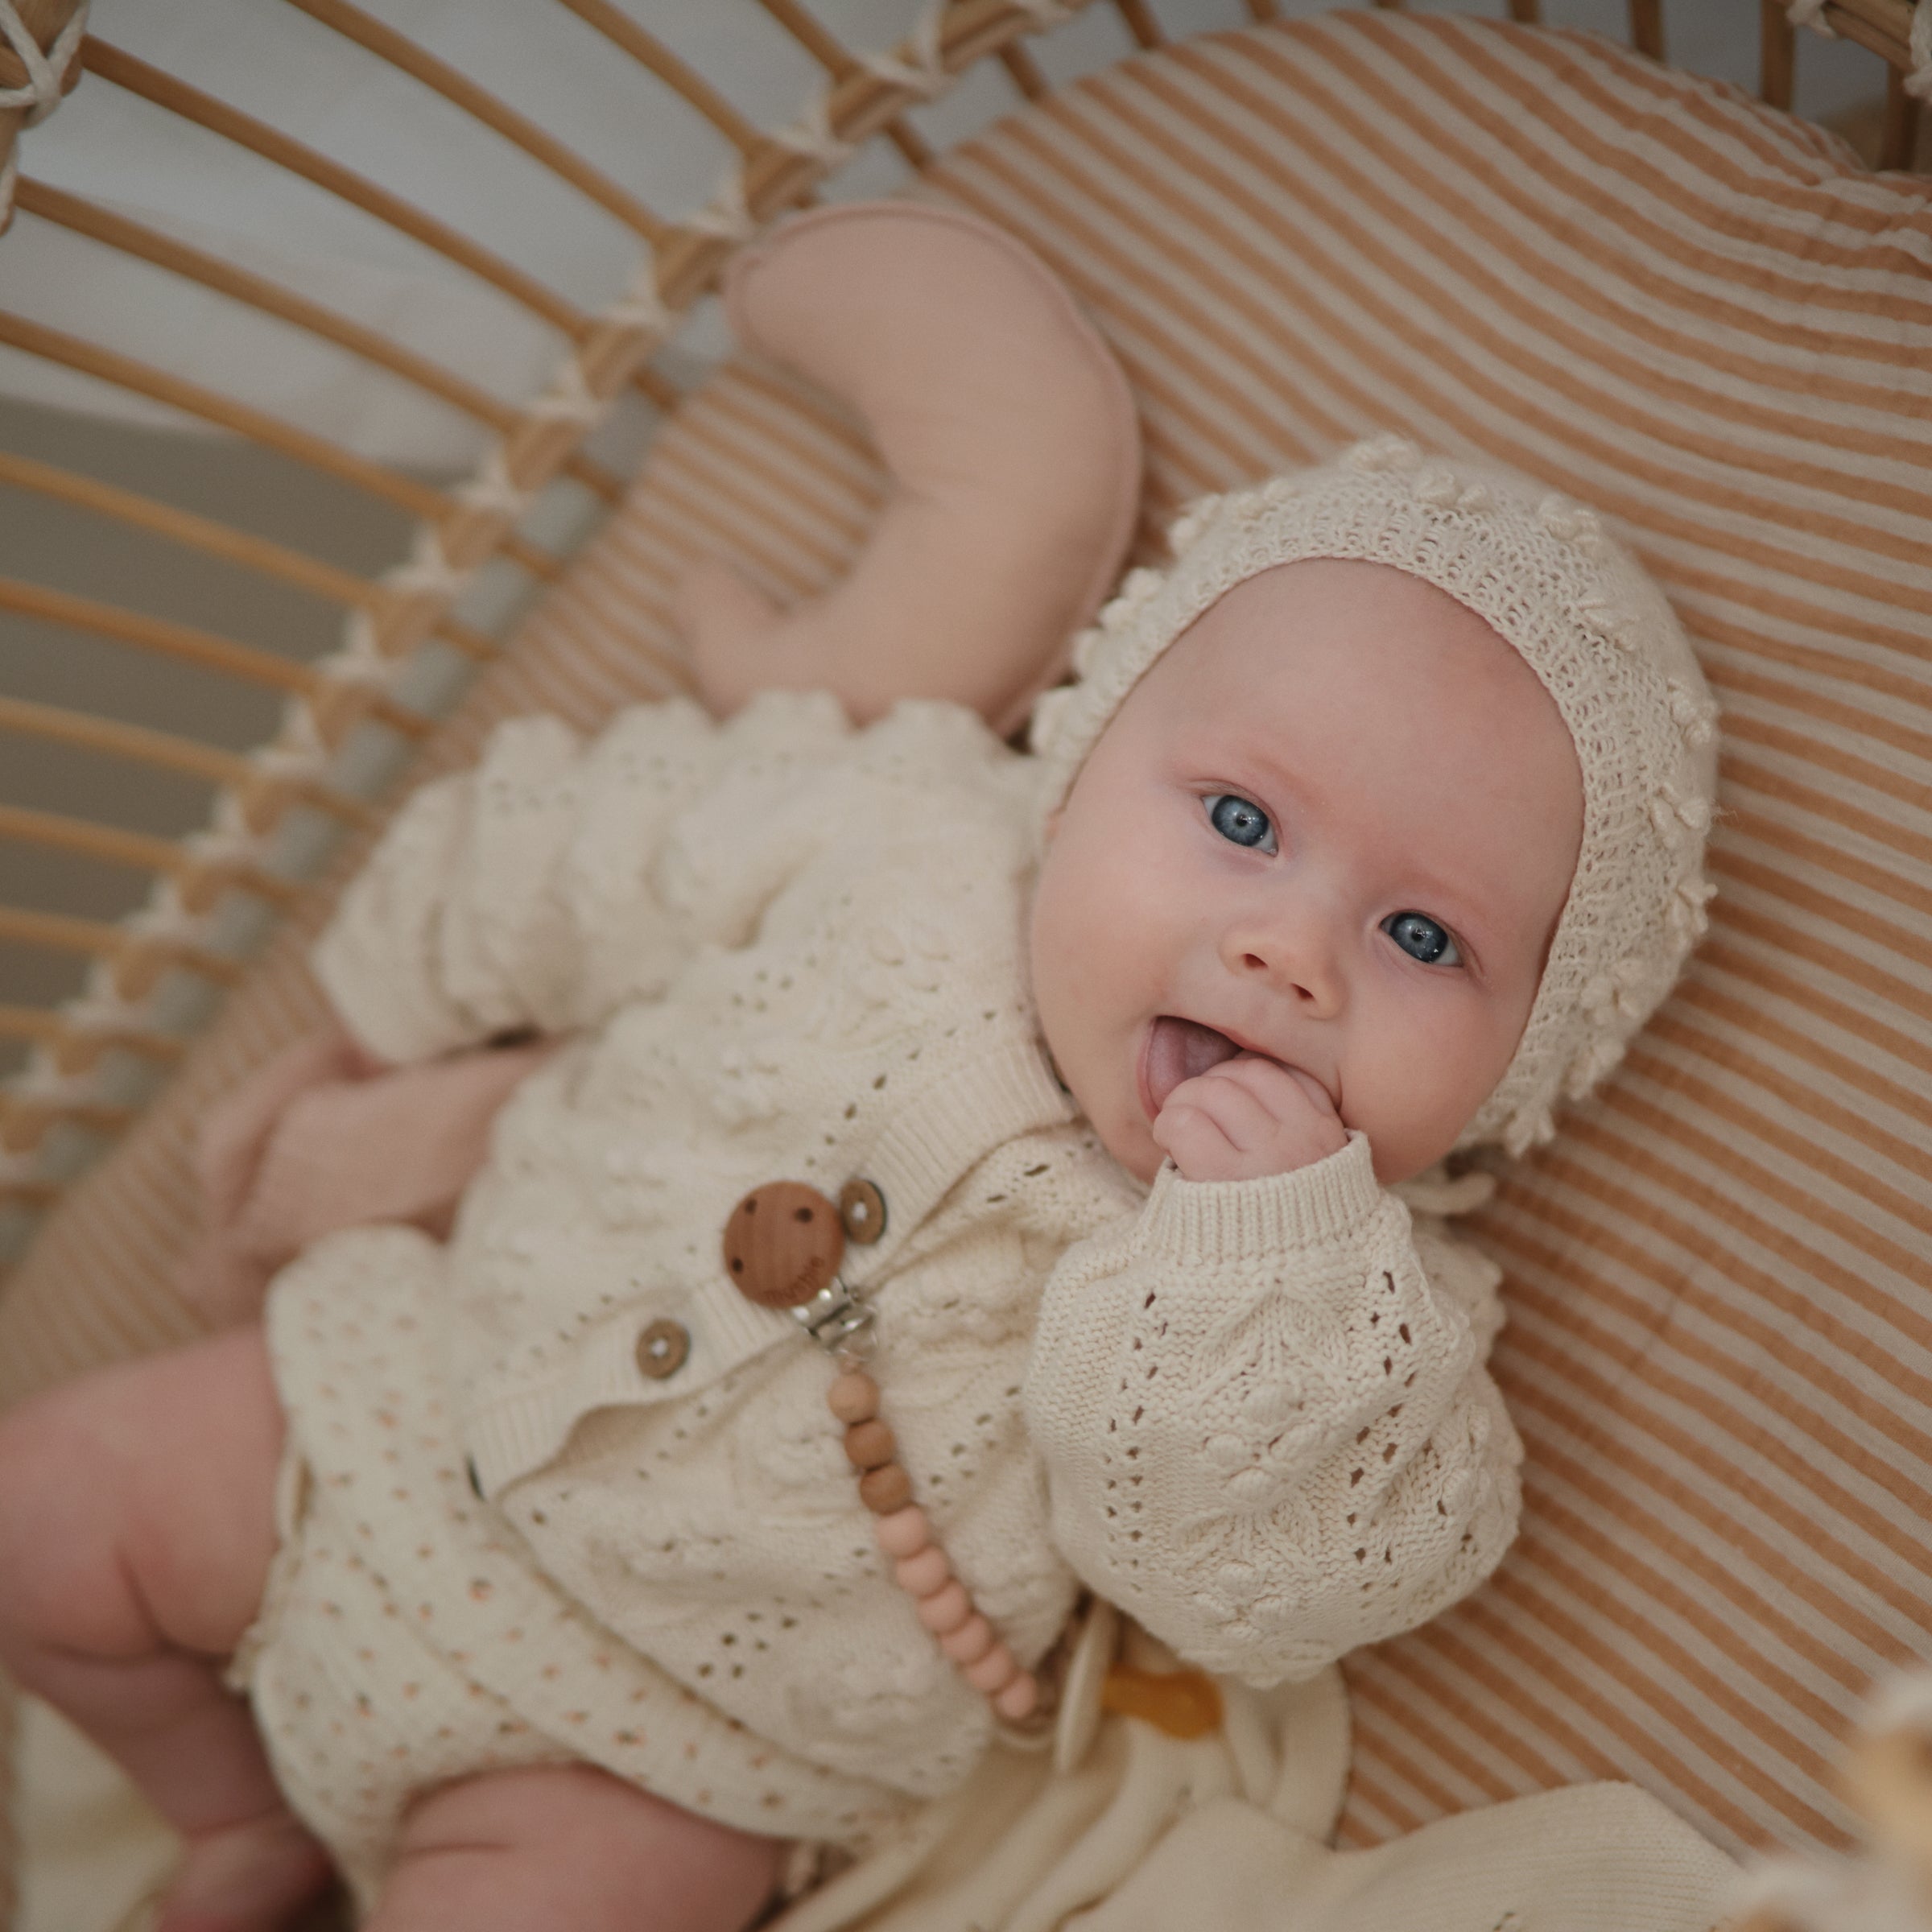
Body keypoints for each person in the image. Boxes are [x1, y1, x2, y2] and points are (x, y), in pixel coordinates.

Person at [0, 226, 1716, 1932]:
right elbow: (596, 849)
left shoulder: (1362, 1305)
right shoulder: (892, 831)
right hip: (380, 1409)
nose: (1294, 952)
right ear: (1083, 762)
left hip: (661, 1755)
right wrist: (398, 996)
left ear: (1525, 1059)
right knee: (42, 1517)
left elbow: (1269, 1585)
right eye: (1242, 825)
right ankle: (229, 1816)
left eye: (1427, 939)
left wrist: (1260, 1263)